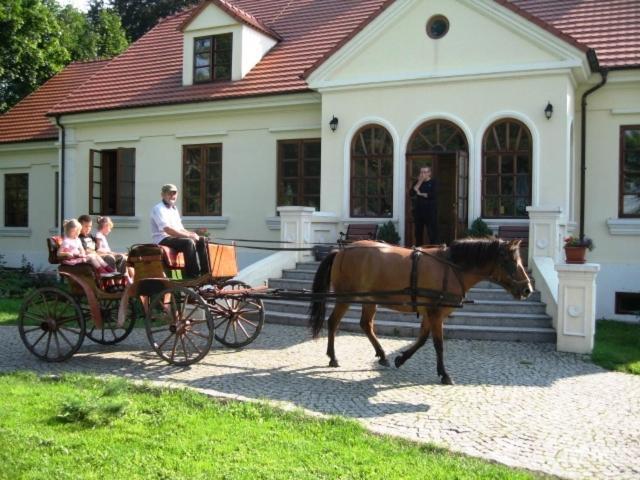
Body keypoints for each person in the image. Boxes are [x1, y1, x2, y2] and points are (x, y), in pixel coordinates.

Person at [150, 183, 208, 279]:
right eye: (169, 193)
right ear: (163, 195)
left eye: (174, 194)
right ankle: (193, 275)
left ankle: (206, 273)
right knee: (188, 242)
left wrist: (191, 234)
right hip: (162, 239)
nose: (172, 196)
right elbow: (167, 229)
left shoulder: (174, 209)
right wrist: (188, 237)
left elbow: (180, 228)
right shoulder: (158, 209)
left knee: (202, 240)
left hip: (173, 238)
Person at [410, 166, 438, 246]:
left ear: (429, 173)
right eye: (421, 172)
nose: (423, 174)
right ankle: (419, 251)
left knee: (432, 234)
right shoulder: (417, 182)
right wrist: (420, 182)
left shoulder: (433, 182)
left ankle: (433, 251)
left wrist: (421, 194)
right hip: (418, 212)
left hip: (430, 212)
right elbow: (411, 193)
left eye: (425, 172)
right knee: (418, 233)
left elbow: (433, 195)